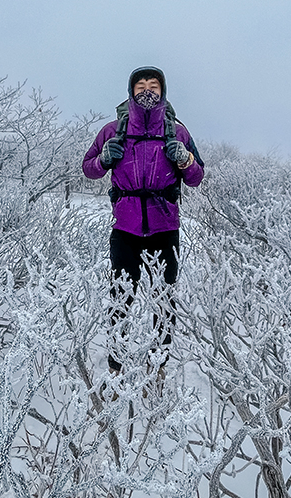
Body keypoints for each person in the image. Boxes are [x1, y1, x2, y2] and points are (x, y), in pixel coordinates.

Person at [82, 66, 204, 376]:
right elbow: (89, 169)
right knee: (121, 295)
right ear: (131, 90)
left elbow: (196, 177)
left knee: (164, 297)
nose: (147, 89)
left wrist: (186, 160)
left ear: (163, 91)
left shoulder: (178, 131)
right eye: (141, 84)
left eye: (153, 84)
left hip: (165, 226)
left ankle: (158, 363)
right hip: (125, 227)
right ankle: (116, 361)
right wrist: (103, 159)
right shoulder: (112, 130)